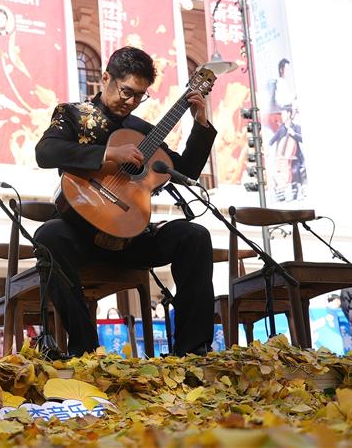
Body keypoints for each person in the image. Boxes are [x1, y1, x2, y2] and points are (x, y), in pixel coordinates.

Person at [33, 46, 217, 357]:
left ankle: (192, 352)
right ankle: (86, 351)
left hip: (132, 239)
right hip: (81, 236)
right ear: (106, 78)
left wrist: (200, 125)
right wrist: (107, 154)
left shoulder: (143, 131)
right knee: (48, 236)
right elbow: (45, 152)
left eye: (140, 96)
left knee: (194, 236)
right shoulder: (73, 115)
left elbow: (184, 172)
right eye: (126, 91)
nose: (131, 102)